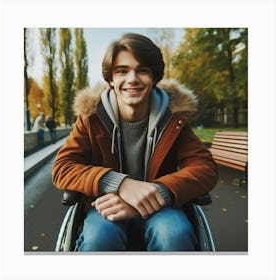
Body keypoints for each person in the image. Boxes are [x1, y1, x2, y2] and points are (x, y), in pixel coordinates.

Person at [52, 33, 218, 251]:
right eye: (122, 71)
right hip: (107, 204)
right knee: (99, 238)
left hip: (161, 206)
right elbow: (63, 168)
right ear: (111, 79)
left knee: (173, 234)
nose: (132, 79)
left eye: (142, 70)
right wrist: (120, 184)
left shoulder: (174, 118)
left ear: (154, 77)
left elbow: (205, 168)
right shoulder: (90, 119)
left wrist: (159, 192)